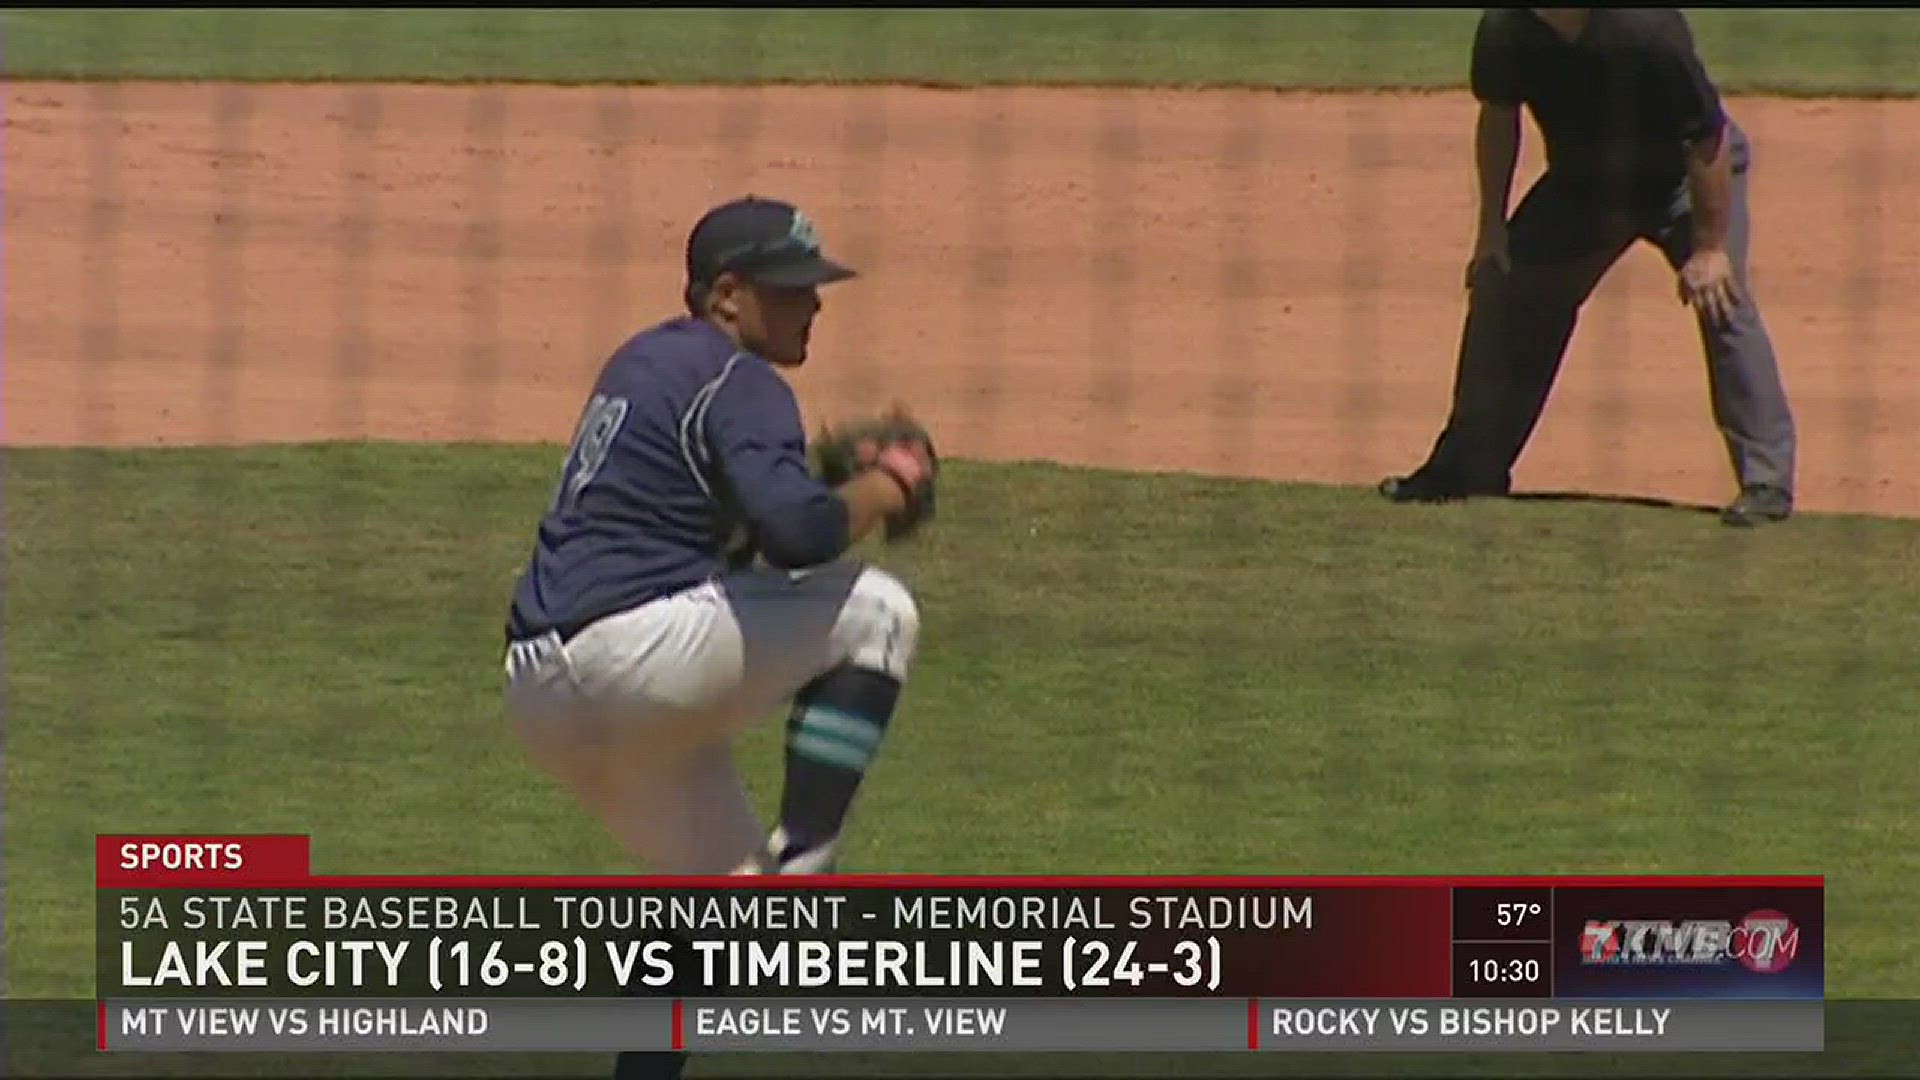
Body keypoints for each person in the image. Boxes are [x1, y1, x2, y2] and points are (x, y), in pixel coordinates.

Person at [499, 196, 937, 1079]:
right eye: (790, 289)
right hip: (631, 653)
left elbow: (723, 533)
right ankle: (807, 870)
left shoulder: (644, 363)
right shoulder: (742, 382)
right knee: (880, 613)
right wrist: (887, 486)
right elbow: (801, 538)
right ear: (727, 294)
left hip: (541, 693)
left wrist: (811, 488)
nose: (813, 303)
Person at [1380, 8, 1797, 527]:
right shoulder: (1506, 26)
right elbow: (1499, 116)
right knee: (1506, 287)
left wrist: (1710, 249)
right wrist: (1491, 229)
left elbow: (1707, 134)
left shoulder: (1646, 27)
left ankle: (1766, 482)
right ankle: (1466, 468)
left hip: (1680, 182)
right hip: (1583, 188)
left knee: (1722, 302)